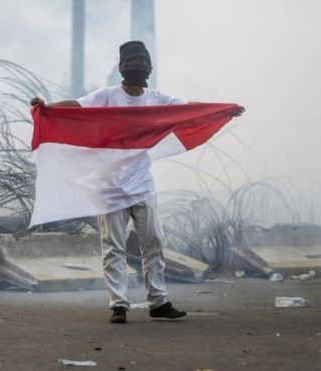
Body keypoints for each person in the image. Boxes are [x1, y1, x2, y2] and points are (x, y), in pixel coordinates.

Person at [31, 40, 244, 324]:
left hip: (141, 184)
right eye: (133, 64)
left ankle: (159, 301)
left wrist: (223, 109)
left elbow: (188, 110)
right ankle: (118, 305)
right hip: (108, 187)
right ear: (122, 68)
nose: (138, 69)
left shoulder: (156, 99)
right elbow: (75, 107)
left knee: (154, 242)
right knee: (113, 247)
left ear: (148, 69)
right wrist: (48, 108)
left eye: (142, 64)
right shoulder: (106, 97)